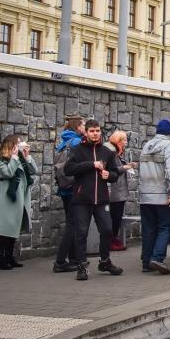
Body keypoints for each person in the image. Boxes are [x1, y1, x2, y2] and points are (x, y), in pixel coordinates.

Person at [63, 119, 123, 281]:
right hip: (82, 199)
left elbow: (115, 173)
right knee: (81, 233)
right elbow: (68, 170)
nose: (95, 134)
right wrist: (91, 164)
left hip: (102, 199)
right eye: (92, 131)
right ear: (86, 132)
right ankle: (82, 266)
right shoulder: (77, 150)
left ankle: (104, 261)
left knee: (107, 230)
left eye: (97, 131)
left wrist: (109, 175)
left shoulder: (107, 152)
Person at [137, 120, 170, 274]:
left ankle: (146, 262)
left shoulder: (147, 145)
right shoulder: (169, 146)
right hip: (162, 195)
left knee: (148, 229)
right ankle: (157, 258)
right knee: (165, 227)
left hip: (145, 195)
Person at [0, 135, 37, 270]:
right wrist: (15, 157)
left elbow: (34, 170)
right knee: (5, 229)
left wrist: (27, 156)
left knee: (13, 228)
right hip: (9, 197)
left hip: (20, 196)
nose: (22, 144)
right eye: (18, 142)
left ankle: (9, 257)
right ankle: (0, 259)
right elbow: (8, 173)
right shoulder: (2, 159)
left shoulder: (21, 159)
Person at [53, 117, 85, 273]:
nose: (85, 127)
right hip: (74, 187)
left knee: (72, 222)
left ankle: (73, 259)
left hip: (64, 187)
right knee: (73, 224)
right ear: (78, 127)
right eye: (84, 125)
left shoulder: (63, 142)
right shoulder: (77, 143)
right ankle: (60, 261)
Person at [101, 130, 135, 252]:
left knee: (116, 217)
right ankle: (111, 241)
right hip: (115, 191)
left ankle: (113, 240)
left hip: (118, 190)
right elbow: (113, 169)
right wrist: (126, 167)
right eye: (124, 140)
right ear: (118, 141)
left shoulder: (116, 152)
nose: (126, 142)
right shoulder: (111, 152)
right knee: (115, 217)